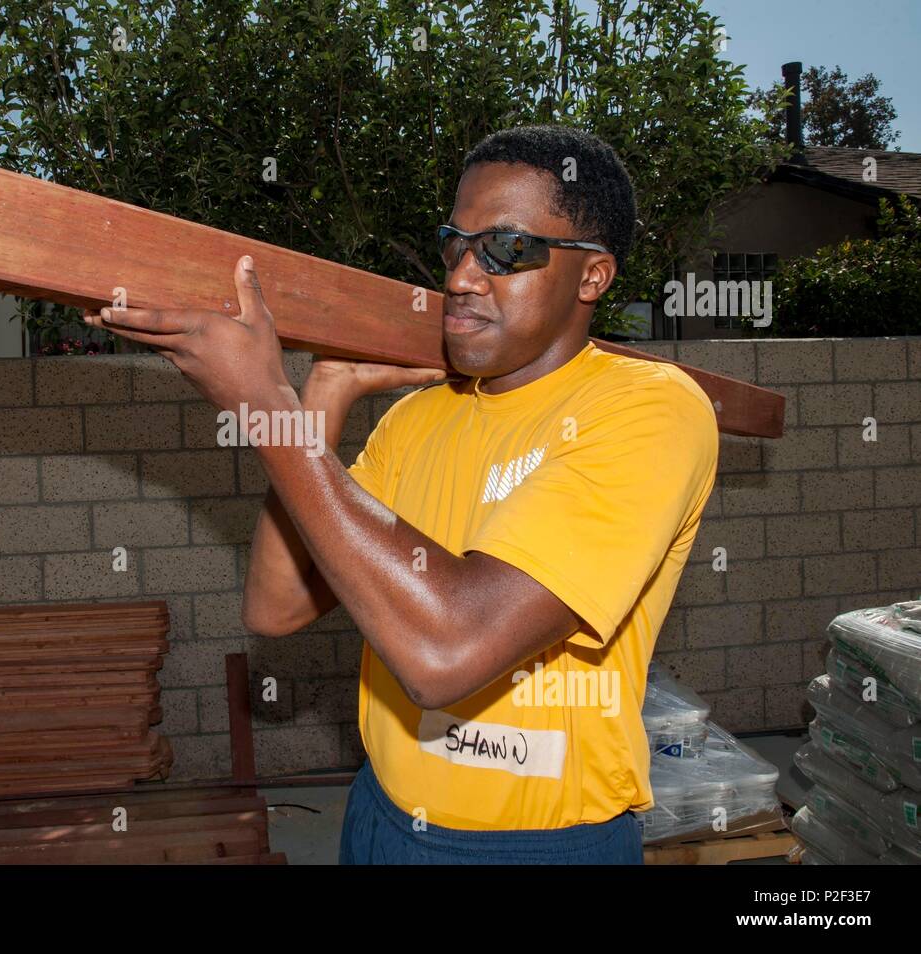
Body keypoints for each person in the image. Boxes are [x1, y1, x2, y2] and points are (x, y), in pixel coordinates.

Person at [84, 125, 719, 864]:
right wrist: (320, 394)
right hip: (382, 815)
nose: (461, 277)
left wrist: (264, 404)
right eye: (457, 244)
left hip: (537, 848)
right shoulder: (419, 417)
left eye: (507, 250)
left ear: (592, 277)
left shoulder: (650, 409)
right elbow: (277, 607)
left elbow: (447, 652)